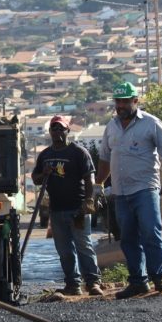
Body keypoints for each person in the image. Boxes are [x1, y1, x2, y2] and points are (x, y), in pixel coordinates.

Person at [94, 82, 162, 300]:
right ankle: (138, 282)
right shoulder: (111, 127)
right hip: (121, 192)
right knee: (128, 238)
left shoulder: (151, 123)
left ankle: (160, 277)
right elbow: (104, 158)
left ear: (135, 101)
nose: (120, 105)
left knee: (151, 231)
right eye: (117, 101)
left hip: (145, 188)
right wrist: (98, 185)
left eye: (124, 101)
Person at [31, 115, 103, 296]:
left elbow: (89, 178)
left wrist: (88, 200)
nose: (57, 132)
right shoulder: (46, 155)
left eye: (61, 129)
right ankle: (73, 284)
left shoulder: (78, 152)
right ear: (50, 132)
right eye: (54, 129)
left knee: (84, 246)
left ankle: (93, 283)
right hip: (57, 210)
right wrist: (43, 174)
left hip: (77, 209)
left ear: (67, 131)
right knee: (64, 250)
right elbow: (35, 178)